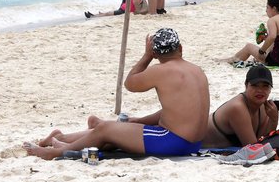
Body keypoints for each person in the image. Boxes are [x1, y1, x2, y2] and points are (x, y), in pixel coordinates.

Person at [24, 28, 210, 159]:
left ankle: (56, 152)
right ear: (180, 48)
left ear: (155, 53)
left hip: (175, 142)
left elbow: (130, 83)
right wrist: (139, 120)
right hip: (193, 142)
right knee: (116, 130)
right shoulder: (197, 71)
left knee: (107, 130)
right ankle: (62, 139)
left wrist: (146, 56)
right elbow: (178, 111)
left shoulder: (161, 70)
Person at [202, 65, 279, 148]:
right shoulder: (237, 107)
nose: (260, 90)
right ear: (246, 85)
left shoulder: (264, 108)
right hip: (197, 145)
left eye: (265, 86)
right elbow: (254, 149)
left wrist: (274, 120)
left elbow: (263, 140)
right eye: (255, 85)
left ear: (270, 89)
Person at [222, 0, 279, 67]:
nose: (266, 10)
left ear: (274, 8)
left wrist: (262, 51)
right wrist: (267, 39)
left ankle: (233, 60)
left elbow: (272, 36)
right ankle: (232, 59)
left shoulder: (273, 20)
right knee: (270, 44)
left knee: (248, 47)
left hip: (278, 61)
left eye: (267, 7)